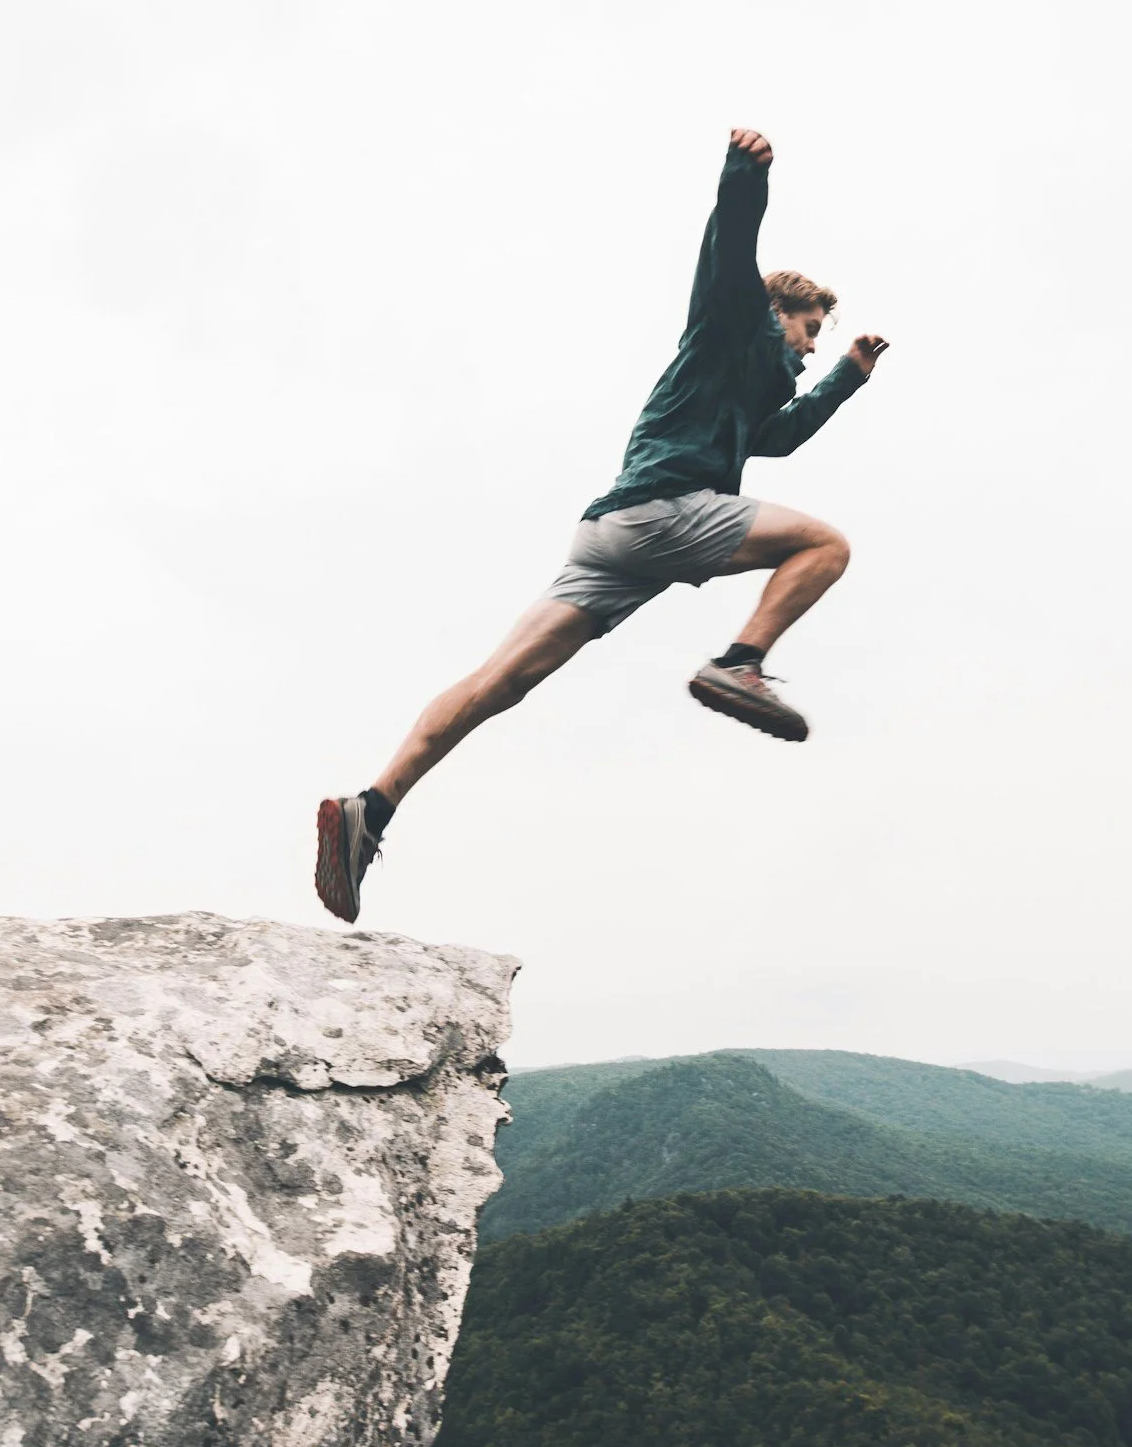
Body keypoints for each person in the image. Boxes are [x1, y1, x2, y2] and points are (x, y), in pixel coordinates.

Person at [315, 128, 889, 923]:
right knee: (825, 546)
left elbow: (779, 437)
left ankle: (369, 808)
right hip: (664, 512)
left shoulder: (748, 391)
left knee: (498, 682)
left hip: (613, 534)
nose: (809, 346)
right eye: (809, 331)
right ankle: (738, 662)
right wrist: (743, 177)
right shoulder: (732, 327)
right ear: (777, 313)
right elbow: (727, 253)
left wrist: (846, 379)